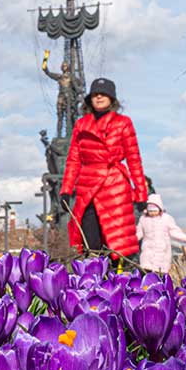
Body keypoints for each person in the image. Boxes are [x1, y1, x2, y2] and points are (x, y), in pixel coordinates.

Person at [58, 77, 148, 259]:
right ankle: (95, 280)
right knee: (90, 242)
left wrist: (141, 193)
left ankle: (117, 280)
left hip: (114, 187)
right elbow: (73, 159)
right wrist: (66, 190)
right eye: (95, 94)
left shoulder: (123, 123)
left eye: (103, 94)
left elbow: (134, 159)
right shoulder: (81, 125)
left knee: (117, 244)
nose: (99, 97)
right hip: (87, 187)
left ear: (112, 98)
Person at [136, 194, 186, 275]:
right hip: (147, 251)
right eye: (150, 211)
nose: (152, 213)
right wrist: (131, 240)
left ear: (160, 209)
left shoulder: (166, 219)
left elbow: (174, 232)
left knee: (160, 273)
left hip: (162, 252)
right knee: (146, 271)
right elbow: (139, 233)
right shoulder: (143, 219)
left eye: (154, 210)